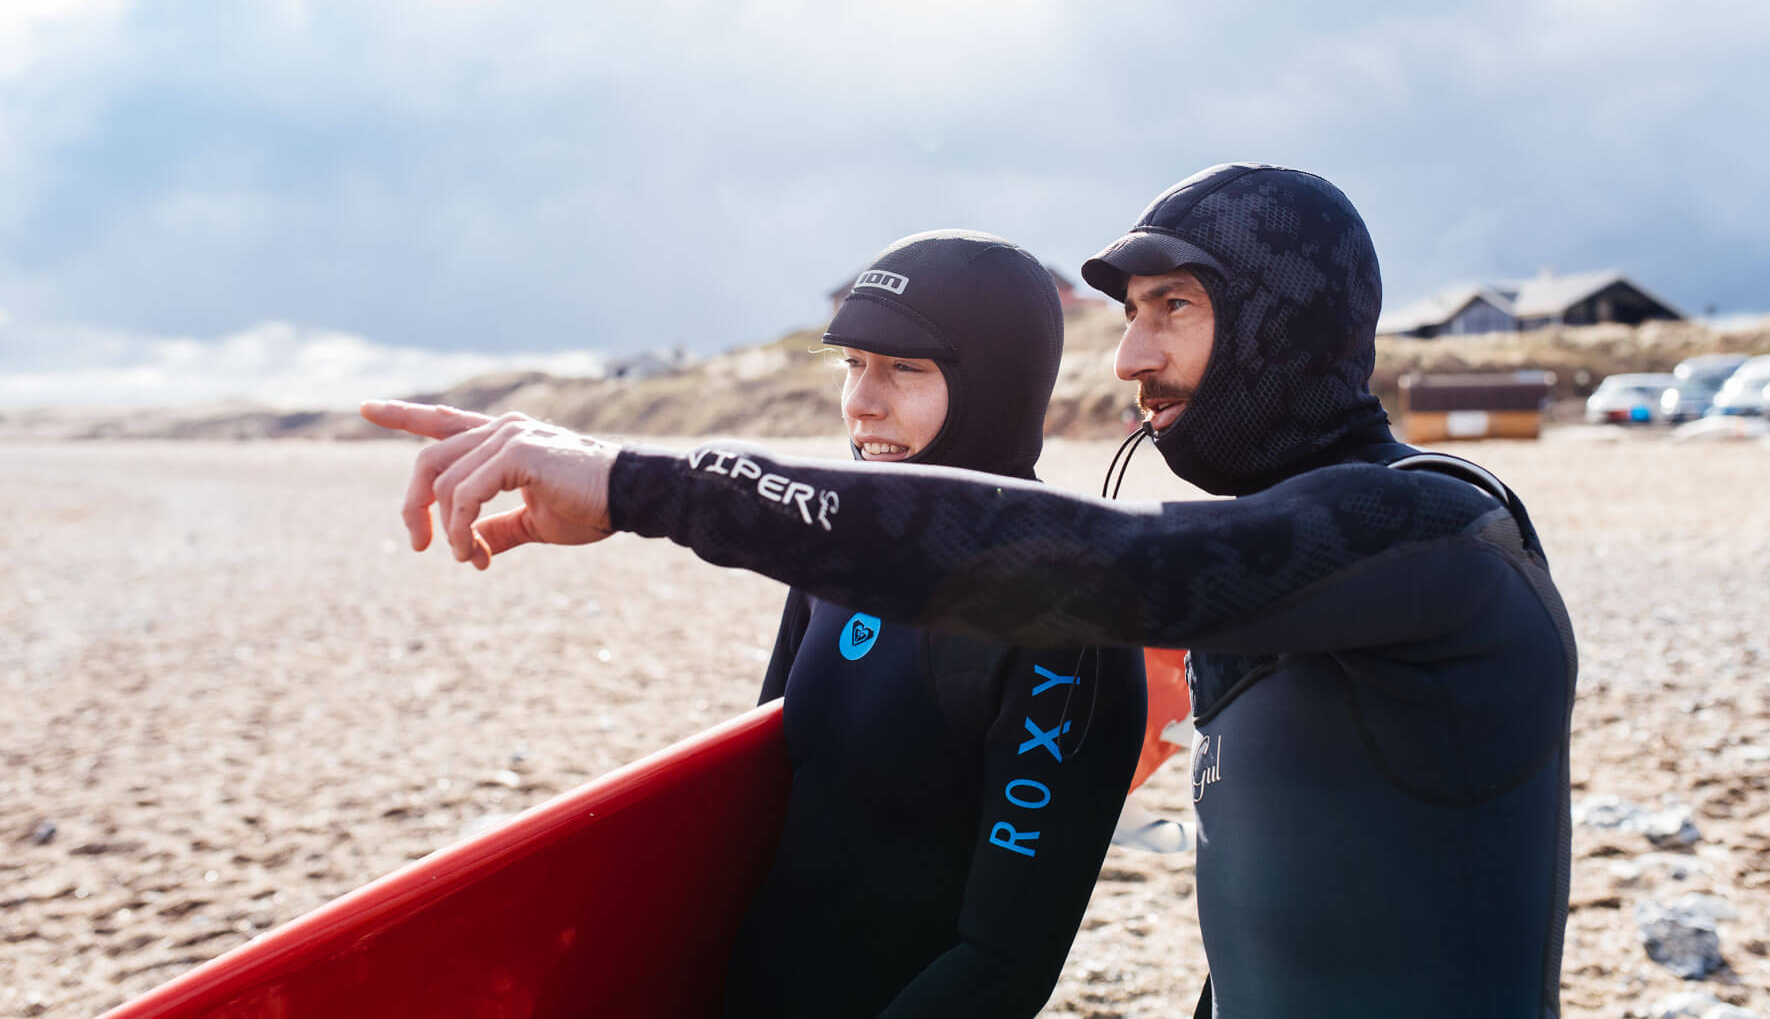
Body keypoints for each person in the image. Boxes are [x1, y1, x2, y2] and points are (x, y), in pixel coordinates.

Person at [364, 163, 1577, 1018]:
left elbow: (1102, 569)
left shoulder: (1433, 530)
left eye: (1178, 309)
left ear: (1288, 329)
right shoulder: (1279, 566)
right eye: (1129, 315)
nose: (1133, 357)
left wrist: (640, 482)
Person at [724, 230, 1146, 1016]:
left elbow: (1003, 959)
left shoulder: (1062, 615)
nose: (861, 402)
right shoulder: (833, 558)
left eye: (904, 369)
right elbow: (756, 814)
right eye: (852, 365)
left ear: (997, 384)